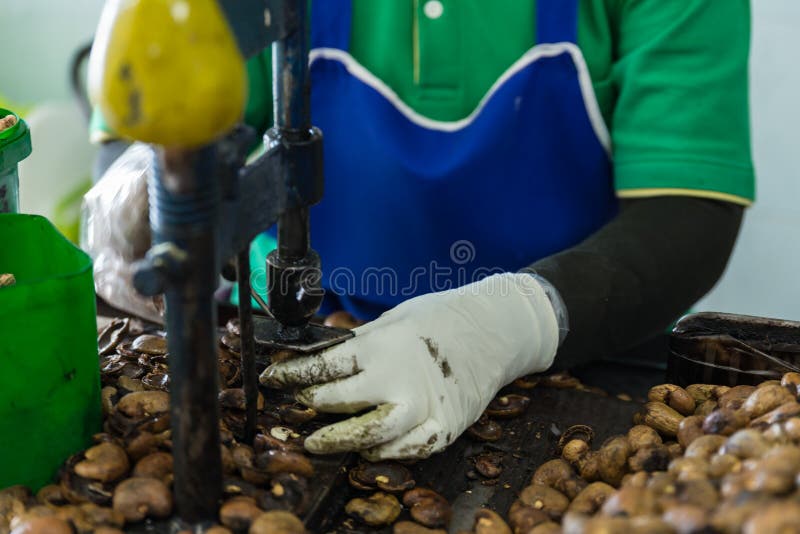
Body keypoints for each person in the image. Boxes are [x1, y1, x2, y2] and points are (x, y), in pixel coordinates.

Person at [85, 0, 754, 460]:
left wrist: (513, 323)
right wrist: (142, 177)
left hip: (589, 345)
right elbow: (147, 100)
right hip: (302, 346)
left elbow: (688, 209)